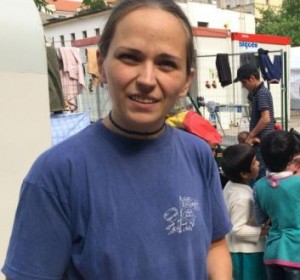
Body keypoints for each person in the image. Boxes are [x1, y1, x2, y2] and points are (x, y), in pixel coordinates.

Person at [1, 1, 233, 279]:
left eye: (166, 63)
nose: (147, 79)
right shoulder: (57, 174)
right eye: (130, 58)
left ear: (186, 80)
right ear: (101, 64)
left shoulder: (198, 155)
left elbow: (215, 244)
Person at [253, 130, 300, 280]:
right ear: (291, 157)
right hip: (295, 254)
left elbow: (260, 219)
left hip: (272, 253)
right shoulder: (297, 183)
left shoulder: (259, 186)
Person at [222, 144, 268, 280]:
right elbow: (237, 229)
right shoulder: (241, 198)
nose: (258, 163)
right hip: (247, 253)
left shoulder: (231, 185)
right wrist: (264, 231)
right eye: (254, 162)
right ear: (244, 173)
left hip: (238, 249)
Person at [233, 63, 275, 181]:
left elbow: (265, 119)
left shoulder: (261, 93)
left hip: (262, 143)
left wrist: (251, 136)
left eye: (244, 83)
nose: (243, 86)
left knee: (258, 176)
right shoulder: (258, 93)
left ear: (252, 78)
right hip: (262, 141)